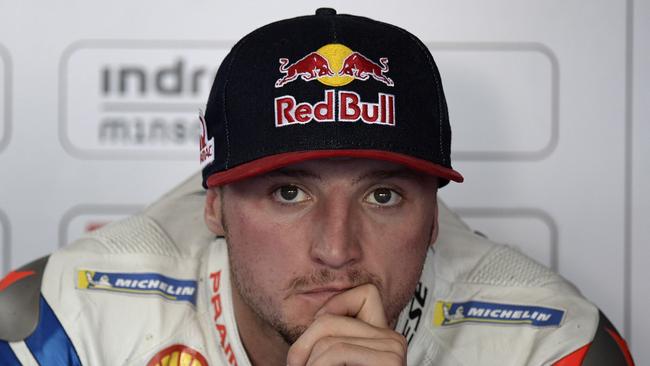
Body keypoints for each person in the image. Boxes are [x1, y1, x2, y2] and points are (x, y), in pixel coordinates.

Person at [0, 8, 635, 366]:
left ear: (435, 216)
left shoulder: (551, 347)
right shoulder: (59, 323)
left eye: (382, 196)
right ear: (214, 204)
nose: (337, 250)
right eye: (288, 193)